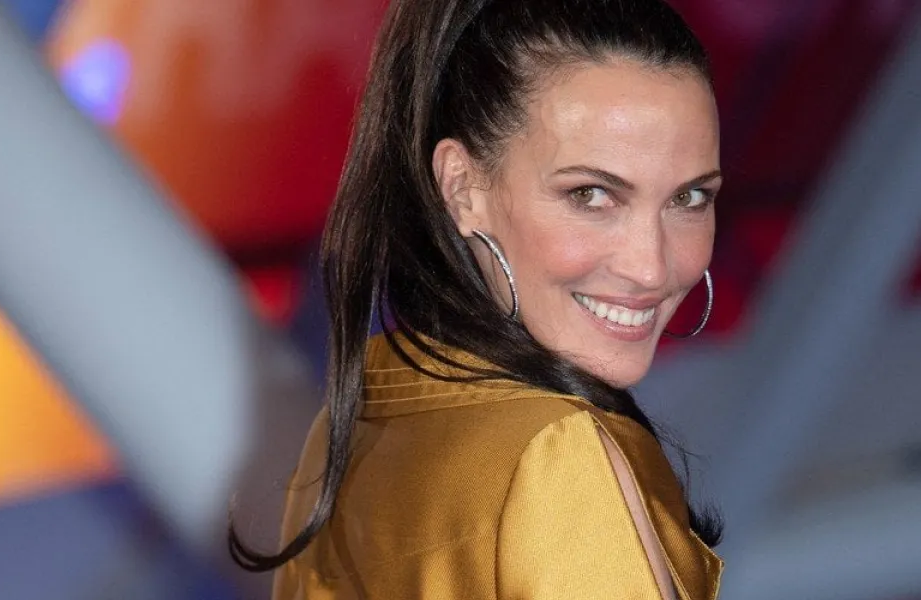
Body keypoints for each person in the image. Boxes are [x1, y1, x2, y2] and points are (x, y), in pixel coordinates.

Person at [231, 0, 725, 597]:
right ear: (464, 188)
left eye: (690, 199)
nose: (651, 266)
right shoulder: (555, 458)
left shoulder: (359, 418)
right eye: (591, 195)